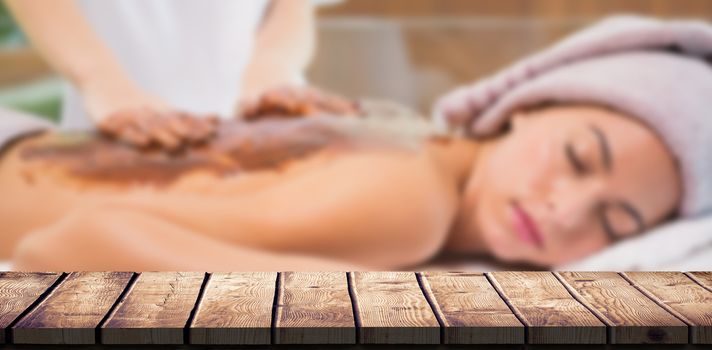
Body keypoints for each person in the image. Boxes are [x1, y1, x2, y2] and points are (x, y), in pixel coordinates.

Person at [1, 16, 710, 271]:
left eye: (615, 223)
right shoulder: (408, 203)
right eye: (581, 158)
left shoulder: (401, 130)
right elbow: (70, 244)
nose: (566, 211)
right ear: (529, 104)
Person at [5, 0, 316, 150]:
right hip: (123, 130)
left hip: (270, 122)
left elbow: (292, 7)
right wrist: (100, 77)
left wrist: (274, 66)